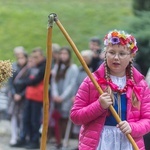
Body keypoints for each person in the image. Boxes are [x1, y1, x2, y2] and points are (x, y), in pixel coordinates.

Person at [70, 30, 150, 150]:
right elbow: (76, 116)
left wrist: (133, 127)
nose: (116, 58)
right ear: (105, 54)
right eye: (111, 52)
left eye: (122, 54)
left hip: (128, 143)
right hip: (99, 143)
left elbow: (147, 119)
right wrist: (99, 106)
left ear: (131, 57)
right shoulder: (91, 81)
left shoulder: (141, 85)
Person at [14, 47, 46, 149]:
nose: (34, 59)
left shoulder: (44, 67)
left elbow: (34, 80)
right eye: (33, 57)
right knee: (25, 119)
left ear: (41, 56)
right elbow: (28, 78)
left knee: (34, 120)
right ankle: (26, 138)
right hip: (29, 95)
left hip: (37, 97)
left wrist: (23, 82)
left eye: (36, 57)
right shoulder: (33, 67)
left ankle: (34, 140)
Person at [51, 46, 78, 149]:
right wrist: (55, 94)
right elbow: (54, 82)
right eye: (61, 53)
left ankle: (65, 140)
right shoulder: (57, 67)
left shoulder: (73, 68)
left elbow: (72, 84)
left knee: (65, 119)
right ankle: (58, 140)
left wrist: (63, 97)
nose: (63, 56)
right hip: (57, 98)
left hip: (66, 99)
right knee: (57, 119)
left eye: (65, 54)